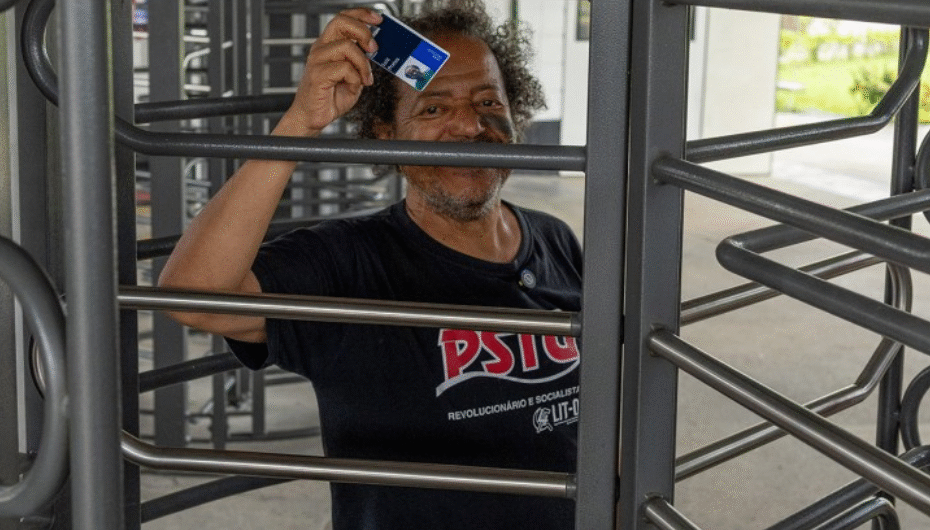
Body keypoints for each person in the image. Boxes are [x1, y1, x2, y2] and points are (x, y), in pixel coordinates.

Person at [159, 1, 582, 528]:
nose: (469, 125)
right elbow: (192, 296)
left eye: (488, 100)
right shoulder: (349, 264)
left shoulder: (555, 240)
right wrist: (302, 121)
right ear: (387, 134)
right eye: (433, 110)